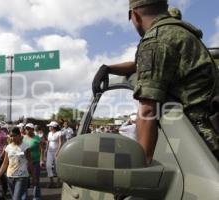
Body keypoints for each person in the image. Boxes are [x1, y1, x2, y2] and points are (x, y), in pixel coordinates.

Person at [92, 0, 219, 164]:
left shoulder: (156, 41)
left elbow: (147, 112)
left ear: (135, 15)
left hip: (199, 146)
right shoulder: (179, 33)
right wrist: (109, 68)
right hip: (207, 136)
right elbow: (141, 65)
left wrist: (142, 167)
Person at [0, 127, 36, 200]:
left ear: (19, 135)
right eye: (11, 136)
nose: (12, 138)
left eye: (14, 135)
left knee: (16, 198)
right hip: (10, 176)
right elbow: (5, 163)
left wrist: (33, 177)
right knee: (15, 197)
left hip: (22, 177)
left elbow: (30, 162)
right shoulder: (8, 147)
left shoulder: (25, 147)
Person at [23, 123, 44, 200]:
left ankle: (36, 197)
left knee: (36, 180)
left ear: (33, 129)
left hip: (35, 162)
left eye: (29, 128)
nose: (28, 130)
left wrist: (41, 160)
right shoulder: (23, 138)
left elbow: (42, 149)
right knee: (24, 180)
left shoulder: (37, 138)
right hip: (25, 162)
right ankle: (24, 197)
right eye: (27, 128)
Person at [45, 121, 63, 188]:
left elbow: (60, 143)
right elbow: (48, 142)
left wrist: (58, 152)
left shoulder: (59, 133)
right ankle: (51, 181)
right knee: (48, 166)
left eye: (50, 126)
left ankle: (58, 181)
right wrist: (46, 149)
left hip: (56, 151)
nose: (49, 127)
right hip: (50, 151)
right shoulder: (49, 133)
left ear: (54, 127)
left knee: (57, 167)